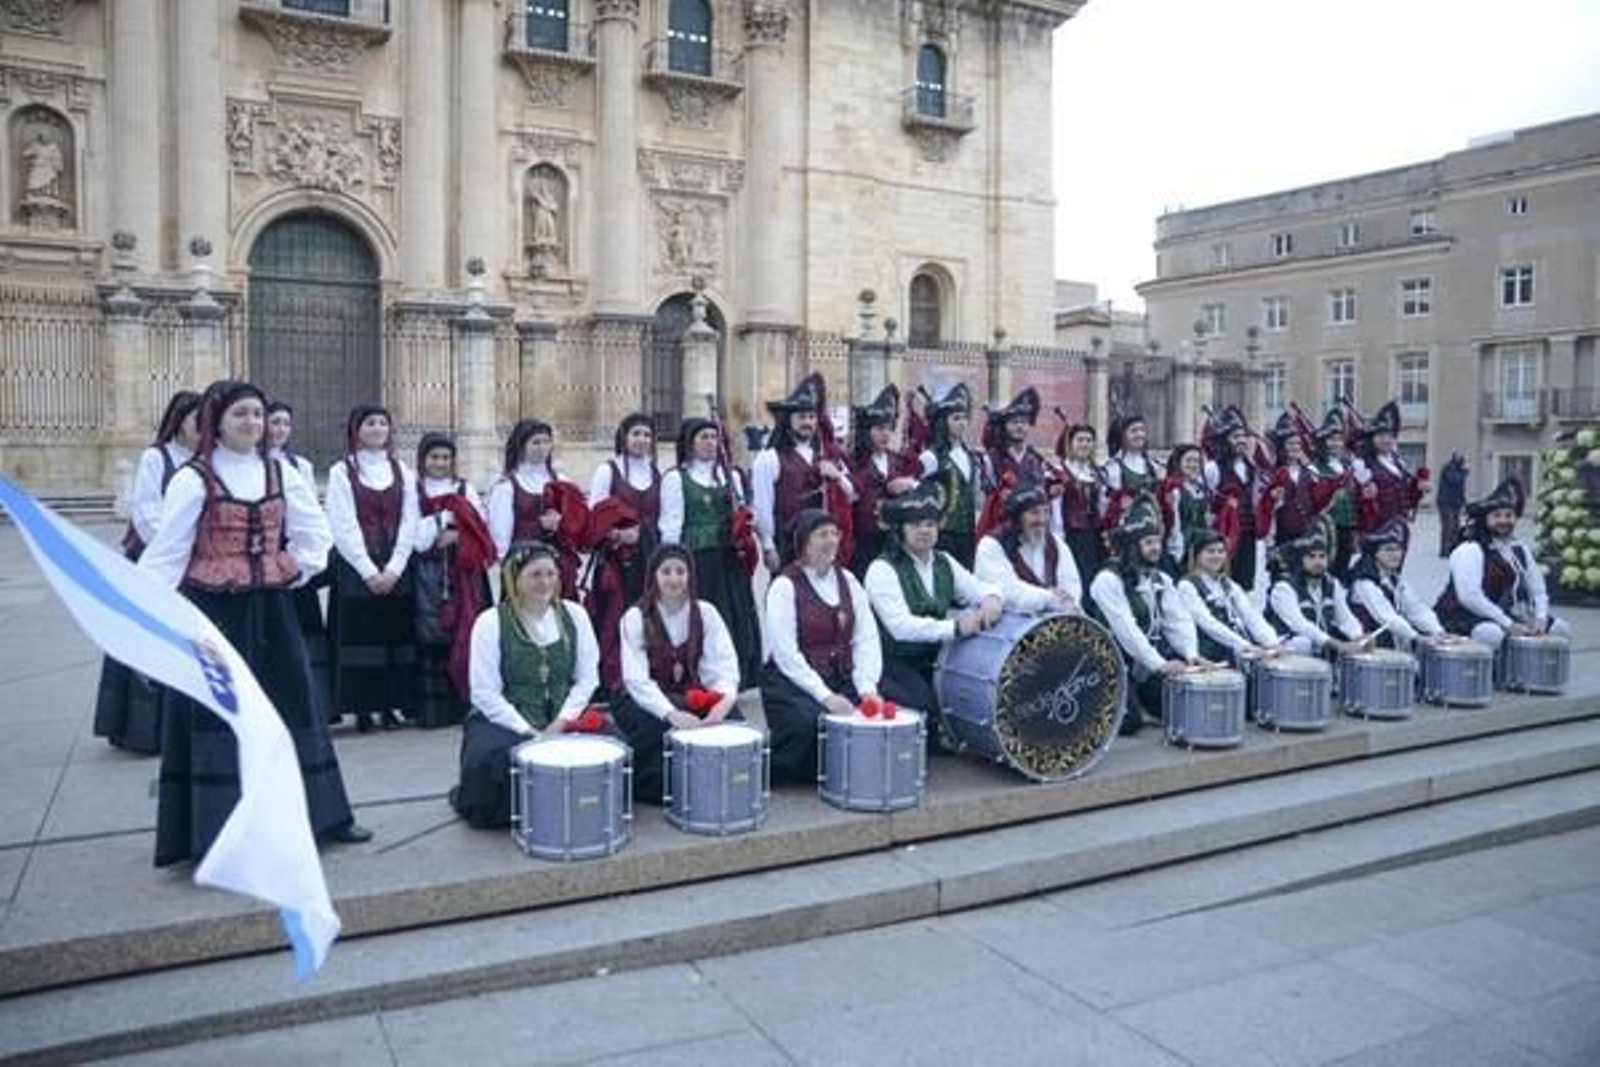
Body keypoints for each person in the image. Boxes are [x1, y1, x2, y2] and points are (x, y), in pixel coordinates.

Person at [139, 380, 368, 865]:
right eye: (241, 414)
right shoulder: (193, 478)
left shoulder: (281, 472)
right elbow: (168, 552)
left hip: (273, 609)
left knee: (294, 704)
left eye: (258, 415)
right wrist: (147, 616)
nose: (252, 423)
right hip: (215, 612)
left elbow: (314, 533)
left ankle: (321, 818)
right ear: (215, 422)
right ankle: (214, 832)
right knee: (218, 713)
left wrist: (292, 567)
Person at [451, 542, 602, 828]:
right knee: (492, 761)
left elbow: (587, 679)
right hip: (509, 719)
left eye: (550, 574)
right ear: (514, 578)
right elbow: (484, 692)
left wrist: (561, 722)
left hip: (563, 714)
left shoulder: (574, 615)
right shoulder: (491, 622)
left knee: (612, 745)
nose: (545, 582)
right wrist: (528, 731)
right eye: (535, 575)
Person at [93, 389, 202, 754]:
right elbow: (145, 511)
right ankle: (140, 729)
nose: (203, 426)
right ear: (179, 420)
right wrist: (176, 550)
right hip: (154, 560)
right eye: (196, 419)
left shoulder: (208, 459)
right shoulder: (158, 457)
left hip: (196, 565)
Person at [864, 480, 1003, 744]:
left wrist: (992, 598)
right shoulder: (881, 569)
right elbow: (900, 627)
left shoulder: (944, 562)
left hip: (940, 659)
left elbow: (978, 588)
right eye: (915, 525)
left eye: (930, 524)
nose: (924, 531)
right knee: (925, 710)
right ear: (899, 530)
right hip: (893, 663)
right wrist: (954, 627)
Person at [609, 546, 743, 804]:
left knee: (733, 722)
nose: (674, 578)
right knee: (659, 728)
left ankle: (719, 780)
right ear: (654, 576)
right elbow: (636, 680)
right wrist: (670, 713)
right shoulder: (636, 617)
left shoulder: (705, 612)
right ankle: (668, 787)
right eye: (666, 571)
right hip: (642, 697)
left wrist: (723, 704)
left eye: (680, 571)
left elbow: (723, 665)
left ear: (690, 575)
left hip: (688, 692)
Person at [760, 510, 884, 784]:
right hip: (792, 682)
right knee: (812, 724)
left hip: (840, 676)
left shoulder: (849, 581)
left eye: (834, 534)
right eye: (822, 535)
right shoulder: (784, 586)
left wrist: (867, 689)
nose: (831, 541)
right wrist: (825, 697)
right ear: (804, 543)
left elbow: (866, 638)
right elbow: (786, 654)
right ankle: (784, 770)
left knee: (880, 710)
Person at [325, 405, 420, 733]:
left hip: (396, 563)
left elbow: (410, 520)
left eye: (382, 423)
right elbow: (342, 523)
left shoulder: (403, 471)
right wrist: (368, 570)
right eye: (370, 422)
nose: (377, 428)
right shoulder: (342, 471)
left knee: (396, 635)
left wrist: (394, 568)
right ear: (356, 429)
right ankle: (363, 709)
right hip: (357, 566)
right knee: (361, 638)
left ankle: (392, 705)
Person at [658, 417, 763, 687]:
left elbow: (748, 513)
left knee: (736, 615)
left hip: (730, 558)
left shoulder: (731, 475)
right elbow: (671, 525)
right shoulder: (676, 478)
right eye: (703, 437)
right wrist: (673, 564)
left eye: (714, 437)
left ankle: (737, 673)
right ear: (690, 443)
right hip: (699, 560)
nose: (710, 443)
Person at [1088, 494, 1200, 734]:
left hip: (1145, 664)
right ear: (1132, 546)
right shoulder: (1107, 580)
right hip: (1110, 661)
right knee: (1129, 724)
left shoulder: (1161, 579)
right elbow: (1127, 631)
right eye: (1148, 542)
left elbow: (1178, 620)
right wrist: (1160, 664)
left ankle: (1139, 698)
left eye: (1157, 542)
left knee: (1180, 709)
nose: (1156, 549)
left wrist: (1191, 654)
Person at [411, 433, 494, 728]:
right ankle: (434, 712)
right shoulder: (413, 489)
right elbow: (414, 537)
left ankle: (464, 706)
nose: (440, 463)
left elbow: (482, 529)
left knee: (466, 633)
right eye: (434, 457)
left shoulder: (464, 488)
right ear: (423, 459)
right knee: (432, 636)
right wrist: (439, 521)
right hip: (427, 574)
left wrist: (459, 535)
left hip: (464, 575)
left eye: (445, 458)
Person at [1433, 478, 1570, 651]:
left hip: (1505, 613)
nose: (1504, 521)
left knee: (1560, 629)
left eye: (1508, 515)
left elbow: (1538, 589)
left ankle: (1530, 676)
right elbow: (1470, 597)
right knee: (1490, 633)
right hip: (1462, 614)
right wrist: (1507, 623)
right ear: (1485, 519)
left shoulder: (1519, 548)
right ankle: (1491, 675)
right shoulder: (1470, 549)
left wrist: (1540, 618)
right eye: (1497, 516)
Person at [265, 400, 334, 725]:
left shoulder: (299, 465)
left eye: (285, 424)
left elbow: (307, 515)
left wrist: (298, 561)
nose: (279, 429)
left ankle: (309, 704)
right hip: (262, 560)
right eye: (274, 421)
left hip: (290, 560)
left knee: (303, 637)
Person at [585, 413, 662, 689]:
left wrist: (642, 535)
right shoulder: (608, 471)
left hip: (649, 559)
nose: (642, 440)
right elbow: (594, 518)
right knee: (614, 620)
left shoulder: (656, 472)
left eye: (646, 435)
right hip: (616, 561)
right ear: (624, 437)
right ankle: (613, 679)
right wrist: (617, 535)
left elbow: (662, 517)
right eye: (636, 434)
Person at [751, 373, 855, 573]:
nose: (807, 422)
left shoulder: (829, 455)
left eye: (811, 417)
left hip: (825, 544)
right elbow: (762, 506)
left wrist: (838, 476)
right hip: (788, 543)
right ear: (788, 420)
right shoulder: (769, 458)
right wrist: (768, 546)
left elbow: (853, 495)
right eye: (801, 417)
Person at [487, 418, 590, 599]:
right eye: (536, 442)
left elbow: (580, 526)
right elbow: (500, 540)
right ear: (521, 445)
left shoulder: (562, 481)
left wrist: (562, 524)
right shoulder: (507, 486)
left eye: (546, 442)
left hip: (560, 570)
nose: (542, 448)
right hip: (523, 569)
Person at [1175, 530, 1286, 666]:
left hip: (1236, 650)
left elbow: (1251, 616)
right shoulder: (1186, 586)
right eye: (1210, 551)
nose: (1217, 556)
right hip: (1209, 655)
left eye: (1221, 551)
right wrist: (1244, 646)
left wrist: (1272, 642)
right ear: (1197, 555)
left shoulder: (1229, 585)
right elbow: (1208, 624)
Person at [974, 478, 1082, 615]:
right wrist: (1049, 597)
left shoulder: (1055, 543)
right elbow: (1006, 591)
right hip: (1008, 624)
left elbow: (1070, 582)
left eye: (1046, 511)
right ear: (1018, 517)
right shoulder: (991, 545)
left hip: (1054, 619)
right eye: (1034, 513)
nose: (1042, 520)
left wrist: (1069, 601)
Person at [1265, 525, 1372, 659]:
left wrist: (1359, 636)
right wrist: (1334, 643)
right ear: (1302, 560)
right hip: (1289, 651)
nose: (1318, 562)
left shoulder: (1333, 584)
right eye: (1312, 557)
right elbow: (1300, 624)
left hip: (1321, 649)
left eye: (1322, 557)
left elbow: (1345, 618)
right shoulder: (1283, 588)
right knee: (1304, 643)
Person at [848, 384, 919, 578]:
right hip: (862, 542)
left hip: (893, 540)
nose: (885, 434)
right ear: (867, 431)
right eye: (879, 429)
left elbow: (920, 487)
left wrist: (908, 485)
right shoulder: (853, 461)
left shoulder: (898, 461)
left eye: (889, 429)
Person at [918, 383, 987, 569]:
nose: (962, 423)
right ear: (944, 422)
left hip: (968, 532)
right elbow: (919, 492)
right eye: (956, 418)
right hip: (943, 533)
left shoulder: (972, 457)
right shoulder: (931, 457)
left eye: (964, 418)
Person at [1347, 521, 1445, 649]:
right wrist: (1415, 637)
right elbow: (1386, 617)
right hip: (1369, 647)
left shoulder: (1396, 580)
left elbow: (1416, 609)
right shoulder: (1364, 582)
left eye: (1398, 549)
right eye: (1388, 549)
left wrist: (1438, 631)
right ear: (1375, 553)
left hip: (1392, 643)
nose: (1395, 555)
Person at [1202, 405, 1267, 589]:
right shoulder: (1213, 468)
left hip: (1248, 532)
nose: (1241, 441)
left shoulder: (1250, 468)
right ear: (1225, 440)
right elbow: (1207, 501)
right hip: (1224, 535)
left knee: (1245, 583)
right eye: (1235, 437)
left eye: (1243, 437)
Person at [1258, 411, 1339, 555]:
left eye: (1297, 443)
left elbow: (1318, 498)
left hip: (1306, 531)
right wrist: (1272, 498)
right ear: (1282, 446)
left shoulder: (1308, 471)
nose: (1295, 447)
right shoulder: (1273, 472)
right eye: (1290, 443)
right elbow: (1264, 503)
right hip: (1282, 533)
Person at [1352, 400, 1429, 545]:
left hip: (1399, 525)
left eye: (1389, 436)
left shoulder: (1398, 462)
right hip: (1375, 529)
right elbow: (1357, 500)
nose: (1386, 440)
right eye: (1380, 436)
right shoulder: (1362, 464)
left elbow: (1408, 496)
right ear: (1372, 439)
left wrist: (1418, 487)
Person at [1312, 406, 1361, 580]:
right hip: (1327, 527)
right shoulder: (1316, 467)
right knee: (1325, 570)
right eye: (1331, 439)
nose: (1336, 443)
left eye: (1339, 439)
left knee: (1343, 569)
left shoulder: (1350, 465)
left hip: (1347, 526)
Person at [1054, 422, 1106, 584]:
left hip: (1094, 534)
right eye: (1080, 440)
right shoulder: (1059, 473)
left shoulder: (1096, 473)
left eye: (1089, 440)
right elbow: (1056, 507)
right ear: (1070, 444)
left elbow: (1102, 505)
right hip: (1072, 533)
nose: (1085, 444)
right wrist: (1058, 536)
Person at [983, 386, 1049, 495]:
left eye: (1023, 422)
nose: (1019, 426)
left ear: (1029, 426)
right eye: (1014, 422)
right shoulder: (992, 458)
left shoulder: (1037, 460)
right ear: (1005, 426)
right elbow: (985, 492)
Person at [1159, 443, 1212, 577]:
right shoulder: (1173, 488)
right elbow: (1173, 521)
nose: (1193, 465)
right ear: (1178, 463)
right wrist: (1177, 551)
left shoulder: (1201, 488)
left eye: (1197, 461)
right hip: (1181, 547)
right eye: (1189, 460)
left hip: (1200, 547)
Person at [1102, 412, 1159, 533]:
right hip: (1125, 531)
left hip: (1152, 531)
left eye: (1142, 430)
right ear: (1121, 436)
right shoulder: (1113, 469)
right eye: (1134, 431)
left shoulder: (1153, 466)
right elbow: (1105, 507)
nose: (1139, 434)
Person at [1436, 452, 1469, 558]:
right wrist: (1464, 473)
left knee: (1456, 526)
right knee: (1448, 526)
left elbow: (1460, 488)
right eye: (1460, 460)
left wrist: (1464, 502)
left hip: (1455, 502)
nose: (1462, 463)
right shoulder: (1448, 468)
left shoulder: (1459, 470)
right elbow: (1453, 480)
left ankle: (1453, 548)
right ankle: (1444, 551)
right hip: (1445, 502)